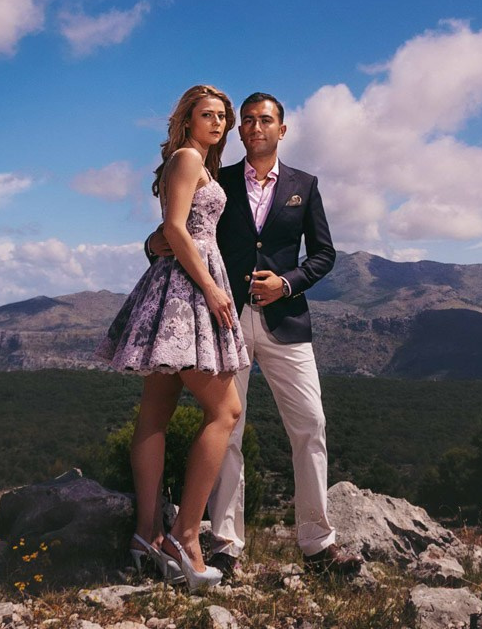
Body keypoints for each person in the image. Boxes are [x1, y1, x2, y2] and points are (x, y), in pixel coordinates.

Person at [147, 91, 361, 575]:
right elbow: (180, 228)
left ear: (281, 130)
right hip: (224, 316)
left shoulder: (305, 185)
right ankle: (224, 542)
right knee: (229, 429)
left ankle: (317, 544)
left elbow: (325, 255)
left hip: (287, 321)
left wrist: (287, 283)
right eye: (246, 121)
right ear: (240, 131)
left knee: (310, 426)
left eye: (265, 120)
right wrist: (150, 242)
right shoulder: (215, 180)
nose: (254, 127)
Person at [94, 84, 249, 590]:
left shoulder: (199, 162)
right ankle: (185, 534)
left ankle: (145, 534)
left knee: (155, 413)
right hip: (187, 291)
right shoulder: (187, 157)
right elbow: (175, 229)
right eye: (209, 115)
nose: (219, 123)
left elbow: (169, 233)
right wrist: (210, 289)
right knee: (226, 411)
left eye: (223, 116)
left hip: (183, 284)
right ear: (186, 121)